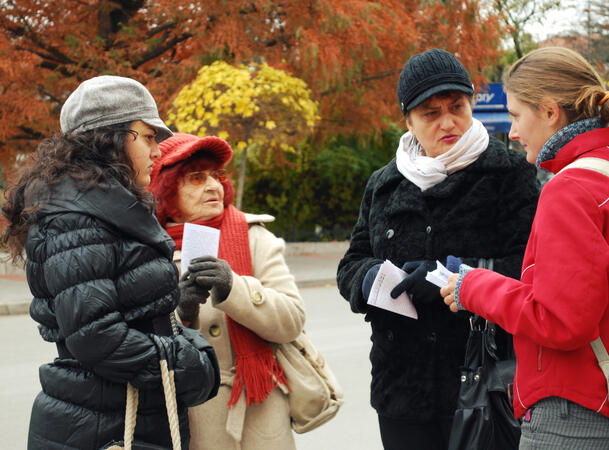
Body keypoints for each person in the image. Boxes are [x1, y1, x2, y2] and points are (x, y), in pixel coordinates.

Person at [1, 75, 220, 449]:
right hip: (101, 425)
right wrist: (186, 361)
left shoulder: (102, 205)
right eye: (148, 137)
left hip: (115, 416)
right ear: (111, 138)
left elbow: (122, 311)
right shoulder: (75, 216)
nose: (157, 151)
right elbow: (94, 336)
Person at [336, 48, 540, 450]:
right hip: (401, 387)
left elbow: (529, 268)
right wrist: (368, 279)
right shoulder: (384, 183)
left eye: (457, 107)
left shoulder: (510, 175)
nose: (448, 122)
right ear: (408, 120)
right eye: (430, 113)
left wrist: (449, 278)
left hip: (485, 382)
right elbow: (351, 263)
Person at [442, 46, 609, 449]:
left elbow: (562, 320)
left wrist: (475, 288)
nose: (512, 132)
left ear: (550, 112)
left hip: (574, 408)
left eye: (517, 115)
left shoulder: (569, 190)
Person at [148, 132, 306, 450]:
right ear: (167, 192)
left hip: (262, 412)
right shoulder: (149, 251)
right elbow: (145, 346)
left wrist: (235, 287)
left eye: (216, 176)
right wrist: (184, 312)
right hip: (192, 414)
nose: (213, 186)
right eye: (196, 178)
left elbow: (292, 320)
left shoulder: (255, 237)